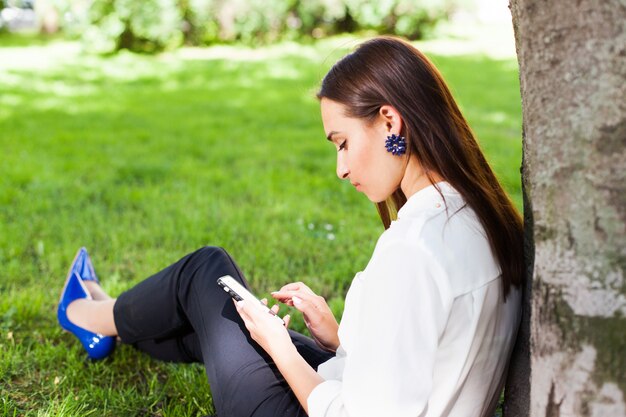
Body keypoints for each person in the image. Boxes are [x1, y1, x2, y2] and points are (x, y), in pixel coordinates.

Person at [57, 36, 524, 417]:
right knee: (221, 322)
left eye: (342, 143)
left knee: (205, 272)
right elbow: (424, 361)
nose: (340, 168)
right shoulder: (482, 219)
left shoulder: (415, 248)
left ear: (389, 121)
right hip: (380, 392)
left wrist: (282, 348)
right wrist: (337, 339)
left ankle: (85, 313)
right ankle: (111, 326)